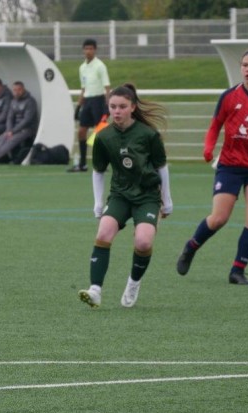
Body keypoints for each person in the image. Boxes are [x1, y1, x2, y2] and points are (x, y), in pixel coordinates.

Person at [175, 49, 248, 286]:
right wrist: (209, 148)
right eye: (244, 65)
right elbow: (214, 126)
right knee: (219, 218)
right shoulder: (229, 96)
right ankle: (191, 247)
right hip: (229, 165)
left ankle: (237, 270)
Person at [78, 83, 173, 308]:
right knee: (104, 231)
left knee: (143, 241)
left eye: (122, 106)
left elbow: (162, 167)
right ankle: (95, 290)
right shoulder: (103, 137)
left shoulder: (148, 134)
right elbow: (99, 171)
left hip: (147, 196)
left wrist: (166, 201)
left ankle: (133, 282)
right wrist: (98, 202)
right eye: (112, 107)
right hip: (120, 195)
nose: (117, 111)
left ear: (132, 107)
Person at [67, 38, 111, 173]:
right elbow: (83, 88)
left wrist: (107, 105)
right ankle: (82, 163)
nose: (88, 51)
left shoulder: (100, 66)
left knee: (99, 133)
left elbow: (107, 87)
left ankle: (103, 162)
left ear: (95, 50)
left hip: (99, 100)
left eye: (91, 48)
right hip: (87, 101)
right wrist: (78, 106)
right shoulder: (82, 67)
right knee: (81, 131)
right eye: (86, 48)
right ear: (83, 50)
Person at [0, 81, 38, 163]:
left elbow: (27, 120)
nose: (17, 92)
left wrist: (13, 131)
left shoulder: (30, 101)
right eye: (14, 90)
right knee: (2, 137)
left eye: (19, 90)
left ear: (23, 89)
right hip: (14, 128)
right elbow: (10, 118)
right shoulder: (13, 101)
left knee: (11, 140)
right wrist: (9, 130)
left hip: (27, 129)